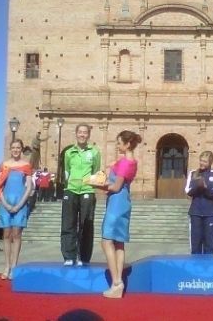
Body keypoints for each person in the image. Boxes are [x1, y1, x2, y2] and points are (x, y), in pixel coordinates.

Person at [97, 130, 140, 298]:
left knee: (106, 241)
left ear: (127, 144)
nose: (117, 145)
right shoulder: (132, 161)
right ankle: (118, 282)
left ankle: (116, 282)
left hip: (116, 203)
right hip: (124, 202)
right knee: (119, 243)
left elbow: (115, 187)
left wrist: (97, 184)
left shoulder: (124, 163)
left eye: (119, 142)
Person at [0, 139, 34, 280]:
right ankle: (7, 266)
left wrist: (20, 204)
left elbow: (29, 187)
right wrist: (5, 203)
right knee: (6, 234)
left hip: (20, 202)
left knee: (17, 234)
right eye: (13, 147)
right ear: (10, 149)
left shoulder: (26, 165)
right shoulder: (4, 165)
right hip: (5, 202)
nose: (15, 150)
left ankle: (15, 266)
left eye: (18, 147)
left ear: (21, 149)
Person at [60, 124, 101, 267]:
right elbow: (67, 171)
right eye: (80, 132)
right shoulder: (69, 152)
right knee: (68, 223)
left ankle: (83, 257)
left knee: (86, 225)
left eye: (85, 132)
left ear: (89, 135)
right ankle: (69, 256)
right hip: (71, 189)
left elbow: (95, 171)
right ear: (76, 134)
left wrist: (89, 184)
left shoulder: (94, 152)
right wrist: (69, 185)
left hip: (87, 190)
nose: (82, 135)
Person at [185, 151, 213, 254]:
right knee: (195, 243)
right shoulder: (193, 174)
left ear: (210, 162)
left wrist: (205, 188)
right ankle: (195, 266)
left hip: (209, 213)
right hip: (195, 212)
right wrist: (198, 187)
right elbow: (188, 191)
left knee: (209, 243)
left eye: (205, 161)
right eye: (201, 160)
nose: (202, 163)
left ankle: (208, 266)